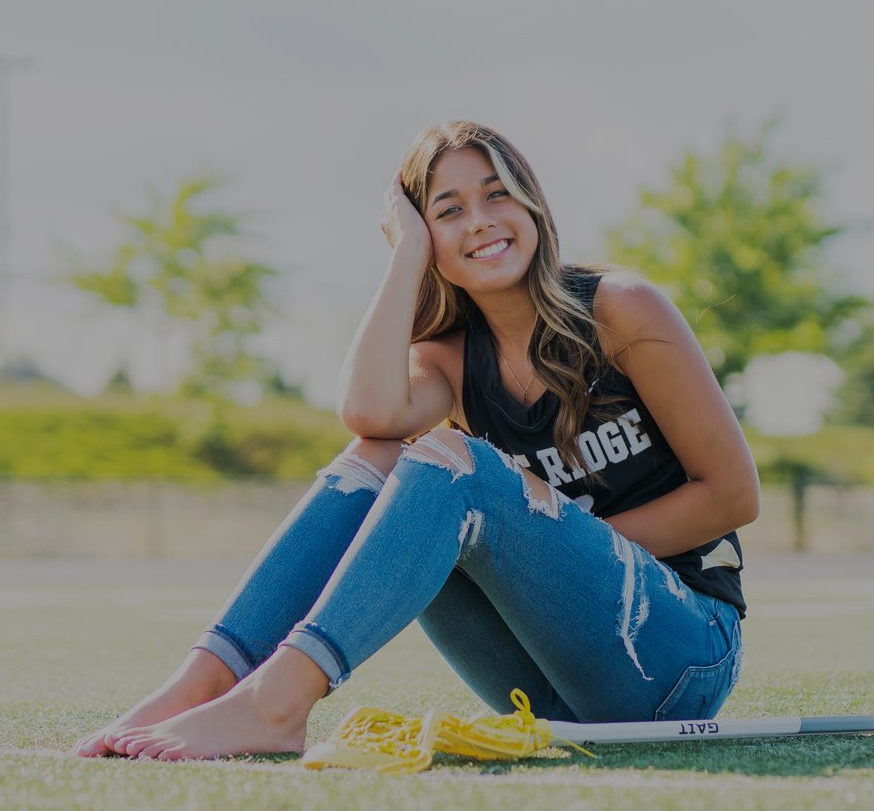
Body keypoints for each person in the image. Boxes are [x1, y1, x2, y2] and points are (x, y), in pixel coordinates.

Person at [77, 121, 758, 760]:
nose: (482, 220)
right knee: (387, 454)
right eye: (449, 210)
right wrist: (405, 255)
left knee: (459, 466)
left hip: (679, 656)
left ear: (534, 210)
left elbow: (732, 496)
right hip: (543, 688)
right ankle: (200, 683)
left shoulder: (618, 309)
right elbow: (368, 416)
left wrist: (554, 546)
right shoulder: (450, 361)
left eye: (497, 196)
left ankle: (278, 701)